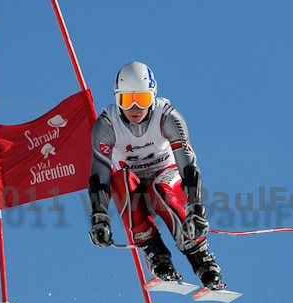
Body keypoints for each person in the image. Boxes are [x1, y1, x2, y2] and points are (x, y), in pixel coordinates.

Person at [87, 61, 225, 290]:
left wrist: (195, 208)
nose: (134, 108)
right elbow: (99, 174)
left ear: (152, 96)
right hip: (134, 186)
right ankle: (156, 253)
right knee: (119, 179)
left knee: (160, 189)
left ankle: (201, 257)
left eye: (141, 99)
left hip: (167, 175)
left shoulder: (168, 117)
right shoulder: (107, 125)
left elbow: (188, 165)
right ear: (116, 98)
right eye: (125, 100)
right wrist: (99, 217)